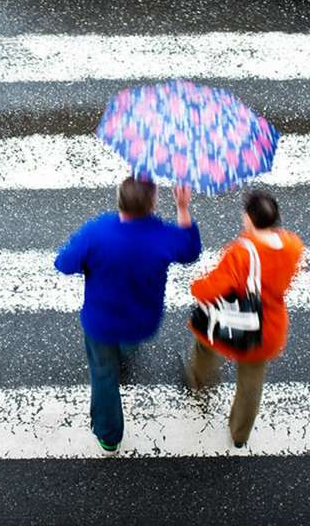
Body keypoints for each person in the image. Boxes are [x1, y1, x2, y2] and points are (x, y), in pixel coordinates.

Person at [55, 178, 201, 454]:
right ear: (154, 204)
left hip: (102, 321)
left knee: (103, 374)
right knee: (126, 345)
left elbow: (64, 263)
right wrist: (182, 207)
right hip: (142, 321)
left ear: (118, 199)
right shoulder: (163, 235)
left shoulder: (98, 232)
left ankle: (109, 436)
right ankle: (125, 354)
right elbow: (190, 251)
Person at [184, 189, 304, 448]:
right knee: (251, 382)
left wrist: (196, 287)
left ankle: (200, 383)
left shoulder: (242, 252)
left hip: (233, 323)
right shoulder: (293, 245)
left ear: (249, 218)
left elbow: (214, 287)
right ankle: (240, 434)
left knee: (204, 341)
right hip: (268, 328)